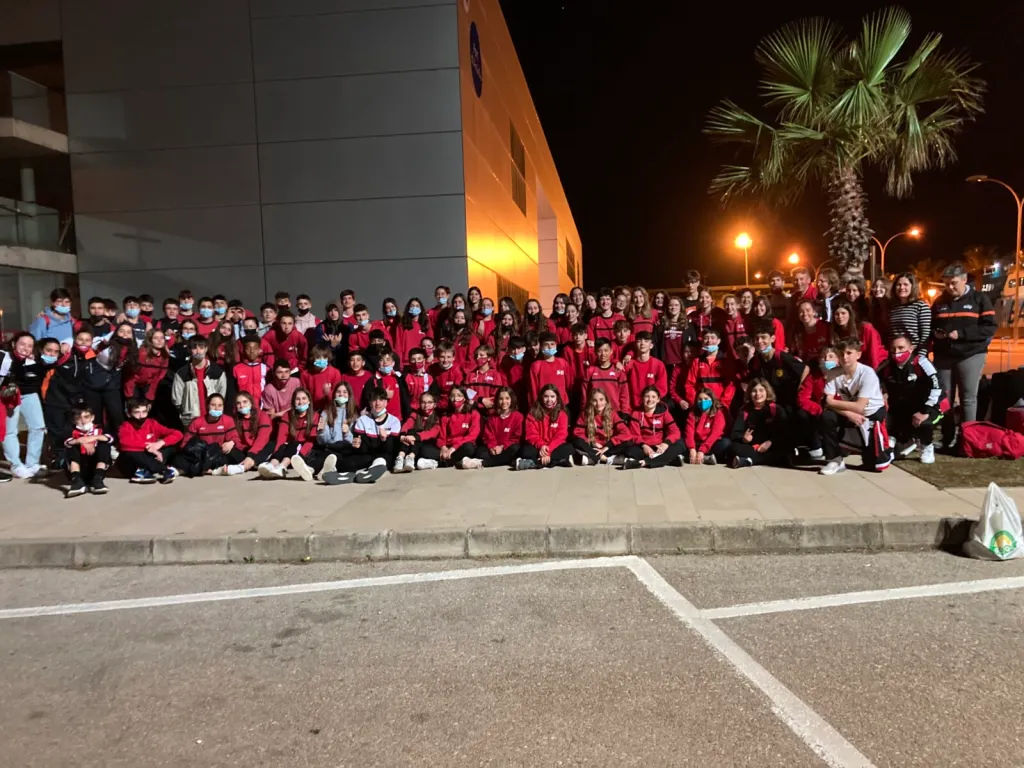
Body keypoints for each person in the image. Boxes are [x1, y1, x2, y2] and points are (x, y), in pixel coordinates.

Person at [931, 263, 996, 449]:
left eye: (954, 283)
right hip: (944, 356)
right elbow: (932, 325)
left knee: (968, 398)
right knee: (945, 398)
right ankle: (947, 437)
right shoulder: (939, 302)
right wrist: (936, 334)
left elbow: (989, 327)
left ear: (964, 280)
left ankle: (968, 440)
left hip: (971, 354)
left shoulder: (979, 299)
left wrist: (962, 334)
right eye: (946, 284)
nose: (950, 287)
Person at [818, 339, 893, 475]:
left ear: (858, 354)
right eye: (841, 353)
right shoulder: (833, 373)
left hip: (872, 413)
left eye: (849, 353)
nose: (844, 357)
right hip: (849, 412)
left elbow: (859, 406)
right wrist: (848, 414)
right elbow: (826, 403)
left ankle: (887, 448)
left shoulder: (867, 373)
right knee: (827, 417)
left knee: (875, 466)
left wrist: (832, 403)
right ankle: (834, 460)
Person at [877, 333, 948, 465]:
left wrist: (925, 411)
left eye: (901, 348)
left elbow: (938, 388)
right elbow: (872, 381)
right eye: (893, 348)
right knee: (884, 421)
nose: (896, 352)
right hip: (901, 408)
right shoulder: (886, 366)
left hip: (928, 406)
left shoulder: (922, 363)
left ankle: (927, 446)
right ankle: (897, 443)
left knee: (922, 422)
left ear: (911, 348)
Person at [3, 333, 61, 478]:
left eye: (30, 346)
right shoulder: (6, 358)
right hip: (10, 395)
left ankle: (33, 463)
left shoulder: (35, 361)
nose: (26, 348)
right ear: (14, 344)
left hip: (29, 394)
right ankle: (16, 465)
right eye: (22, 344)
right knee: (10, 430)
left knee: (38, 427)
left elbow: (52, 362)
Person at [321, 387, 399, 484]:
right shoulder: (362, 420)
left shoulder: (394, 421)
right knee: (349, 461)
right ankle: (348, 475)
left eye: (381, 400)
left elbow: (391, 448)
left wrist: (383, 440)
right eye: (374, 400)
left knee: (382, 458)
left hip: (384, 455)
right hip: (368, 455)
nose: (378, 403)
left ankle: (371, 471)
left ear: (386, 402)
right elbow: (363, 448)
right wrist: (358, 444)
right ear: (370, 403)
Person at [298, 381, 359, 478]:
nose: (341, 394)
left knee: (345, 460)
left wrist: (347, 433)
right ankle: (310, 470)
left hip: (345, 449)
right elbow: (322, 441)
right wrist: (321, 431)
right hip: (330, 448)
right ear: (334, 394)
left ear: (349, 395)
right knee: (326, 454)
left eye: (344, 392)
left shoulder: (354, 414)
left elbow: (354, 441)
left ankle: (321, 470)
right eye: (338, 392)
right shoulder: (327, 412)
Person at [117, 397, 182, 483]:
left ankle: (145, 471)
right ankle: (163, 470)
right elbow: (125, 444)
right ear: (129, 414)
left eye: (144, 412)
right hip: (131, 461)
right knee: (130, 451)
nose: (141, 416)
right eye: (137, 412)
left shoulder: (152, 423)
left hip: (150, 456)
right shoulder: (125, 426)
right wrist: (150, 448)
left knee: (171, 445)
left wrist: (160, 443)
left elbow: (178, 434)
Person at [727, 379, 788, 469]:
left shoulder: (776, 409)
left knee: (784, 450)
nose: (757, 394)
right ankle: (753, 460)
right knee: (733, 448)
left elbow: (784, 432)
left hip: (771, 446)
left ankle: (750, 460)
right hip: (752, 447)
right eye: (754, 391)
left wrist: (770, 442)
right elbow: (735, 433)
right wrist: (743, 438)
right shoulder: (745, 410)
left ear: (767, 392)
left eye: (761, 390)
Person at [258, 388, 317, 480]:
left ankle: (282, 467)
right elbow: (282, 436)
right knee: (282, 445)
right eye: (297, 399)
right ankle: (271, 465)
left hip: (303, 449)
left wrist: (300, 456)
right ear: (293, 402)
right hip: (289, 445)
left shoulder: (315, 415)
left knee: (293, 445)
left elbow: (310, 441)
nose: (301, 402)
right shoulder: (287, 415)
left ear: (309, 401)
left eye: (304, 398)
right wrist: (278, 450)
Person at [621, 386, 685, 469]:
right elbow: (634, 434)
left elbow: (675, 431)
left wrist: (665, 443)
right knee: (630, 449)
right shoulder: (636, 413)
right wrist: (644, 446)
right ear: (642, 398)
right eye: (647, 396)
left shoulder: (665, 413)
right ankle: (668, 460)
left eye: (653, 397)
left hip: (660, 446)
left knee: (680, 445)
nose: (650, 399)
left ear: (658, 399)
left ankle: (643, 462)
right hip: (643, 447)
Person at [171, 335, 228, 427]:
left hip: (212, 418)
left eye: (201, 348)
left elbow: (221, 396)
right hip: (190, 420)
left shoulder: (218, 372)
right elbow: (177, 400)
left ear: (206, 349)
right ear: (189, 350)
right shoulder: (182, 373)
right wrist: (187, 409)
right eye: (194, 348)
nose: (198, 351)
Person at [211, 392, 274, 475]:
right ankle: (253, 464)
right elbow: (236, 438)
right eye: (238, 403)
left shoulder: (262, 415)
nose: (242, 405)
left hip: (259, 449)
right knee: (228, 451)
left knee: (271, 445)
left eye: (245, 402)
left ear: (251, 403)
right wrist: (233, 442)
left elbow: (262, 438)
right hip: (245, 450)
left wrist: (251, 455)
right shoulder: (235, 419)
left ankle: (244, 466)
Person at [516, 384, 573, 470]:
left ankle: (534, 463)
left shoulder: (562, 414)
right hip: (538, 447)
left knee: (569, 448)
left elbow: (561, 435)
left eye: (552, 396)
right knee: (525, 450)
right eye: (546, 396)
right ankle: (557, 461)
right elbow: (531, 434)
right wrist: (541, 446)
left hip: (554, 447)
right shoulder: (532, 413)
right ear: (541, 397)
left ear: (557, 398)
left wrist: (548, 450)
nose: (549, 400)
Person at [571, 388, 632, 466]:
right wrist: (593, 443)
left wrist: (608, 445)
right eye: (594, 400)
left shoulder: (612, 414)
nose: (598, 403)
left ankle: (593, 458)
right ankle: (606, 459)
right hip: (592, 446)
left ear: (606, 401)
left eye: (601, 400)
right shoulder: (585, 414)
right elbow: (577, 433)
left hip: (608, 447)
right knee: (576, 441)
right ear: (590, 402)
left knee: (628, 443)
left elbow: (626, 433)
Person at [684, 328, 736, 411]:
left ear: (718, 341)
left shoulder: (726, 362)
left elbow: (731, 385)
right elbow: (689, 384)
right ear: (702, 341)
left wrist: (722, 403)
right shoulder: (696, 362)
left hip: (720, 406)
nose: (709, 341)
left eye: (712, 338)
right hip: (701, 405)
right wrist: (696, 402)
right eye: (706, 338)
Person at [473, 387, 524, 468]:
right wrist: (492, 447)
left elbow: (516, 438)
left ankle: (486, 463)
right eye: (501, 399)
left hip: (507, 448)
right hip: (495, 449)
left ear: (511, 399)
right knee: (480, 452)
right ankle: (503, 461)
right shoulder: (492, 417)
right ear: (497, 400)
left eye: (507, 398)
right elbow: (488, 436)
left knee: (515, 449)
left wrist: (502, 447)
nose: (504, 402)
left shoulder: (518, 417)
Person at [830, 301, 887, 369]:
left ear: (850, 314)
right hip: (858, 366)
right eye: (837, 314)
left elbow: (873, 352)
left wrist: (873, 371)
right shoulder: (836, 333)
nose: (840, 316)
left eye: (843, 313)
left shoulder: (865, 328)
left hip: (879, 364)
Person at [888, 272, 932, 355]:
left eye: (905, 284)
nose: (902, 287)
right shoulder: (893, 308)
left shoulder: (921, 306)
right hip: (895, 354)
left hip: (914, 354)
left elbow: (925, 334)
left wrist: (921, 355)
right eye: (899, 285)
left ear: (912, 287)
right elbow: (891, 334)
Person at [397, 391, 442, 471]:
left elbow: (432, 433)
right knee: (410, 433)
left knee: (417, 438)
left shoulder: (437, 418)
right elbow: (407, 424)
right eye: (423, 402)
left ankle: (411, 457)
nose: (426, 405)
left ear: (435, 404)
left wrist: (415, 437)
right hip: (413, 444)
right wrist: (403, 435)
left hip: (429, 445)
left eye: (429, 402)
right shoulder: (415, 414)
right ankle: (400, 458)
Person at [439, 385, 482, 469]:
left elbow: (472, 435)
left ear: (464, 398)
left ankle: (445, 462)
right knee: (426, 451)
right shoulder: (445, 416)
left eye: (459, 395)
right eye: (452, 396)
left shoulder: (473, 413)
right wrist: (443, 447)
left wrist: (454, 448)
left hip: (462, 446)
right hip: (448, 447)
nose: (455, 399)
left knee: (469, 448)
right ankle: (457, 461)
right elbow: (442, 436)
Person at [584, 338, 629, 412]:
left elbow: (624, 395)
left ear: (611, 351)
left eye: (606, 350)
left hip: (615, 412)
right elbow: (585, 394)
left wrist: (624, 412)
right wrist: (584, 410)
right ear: (595, 352)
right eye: (599, 351)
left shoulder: (618, 371)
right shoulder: (589, 371)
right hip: (595, 412)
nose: (603, 354)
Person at [686, 387, 729, 465]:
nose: (703, 401)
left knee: (725, 443)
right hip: (696, 443)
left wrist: (702, 450)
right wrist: (692, 448)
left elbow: (715, 434)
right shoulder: (692, 413)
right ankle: (701, 458)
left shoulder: (718, 414)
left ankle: (700, 457)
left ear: (712, 400)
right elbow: (689, 432)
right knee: (680, 443)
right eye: (700, 399)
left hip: (709, 444)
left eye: (706, 399)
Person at [625, 331, 667, 409]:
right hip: (632, 408)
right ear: (635, 344)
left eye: (646, 341)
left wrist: (650, 402)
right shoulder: (629, 364)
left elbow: (662, 389)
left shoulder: (658, 365)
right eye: (639, 341)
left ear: (651, 345)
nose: (642, 343)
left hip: (651, 407)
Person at [529, 332, 571, 406]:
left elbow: (569, 384)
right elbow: (533, 389)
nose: (550, 347)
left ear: (556, 346)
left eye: (552, 344)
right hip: (544, 404)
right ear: (541, 347)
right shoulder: (536, 365)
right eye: (546, 345)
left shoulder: (563, 363)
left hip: (561, 404)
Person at [300, 344, 342, 411]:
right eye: (318, 357)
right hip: (312, 410)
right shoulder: (305, 374)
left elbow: (338, 396)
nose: (322, 360)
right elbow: (303, 394)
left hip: (330, 409)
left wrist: (328, 393)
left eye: (324, 357)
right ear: (313, 358)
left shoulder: (335, 373)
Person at [393, 298, 429, 363]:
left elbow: (430, 342)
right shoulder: (402, 324)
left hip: (422, 360)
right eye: (412, 306)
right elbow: (398, 344)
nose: (415, 308)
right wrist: (399, 362)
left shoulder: (426, 323)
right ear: (408, 308)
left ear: (421, 309)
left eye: (417, 306)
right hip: (406, 361)